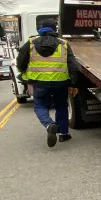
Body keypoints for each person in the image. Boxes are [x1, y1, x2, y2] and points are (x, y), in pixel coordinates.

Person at [16, 17, 80, 147]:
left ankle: (49, 124)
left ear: (40, 29)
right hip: (61, 82)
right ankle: (63, 134)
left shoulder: (31, 43)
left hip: (39, 82)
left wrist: (24, 74)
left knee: (40, 106)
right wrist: (73, 83)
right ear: (54, 29)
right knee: (61, 106)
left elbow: (20, 61)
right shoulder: (63, 44)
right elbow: (72, 65)